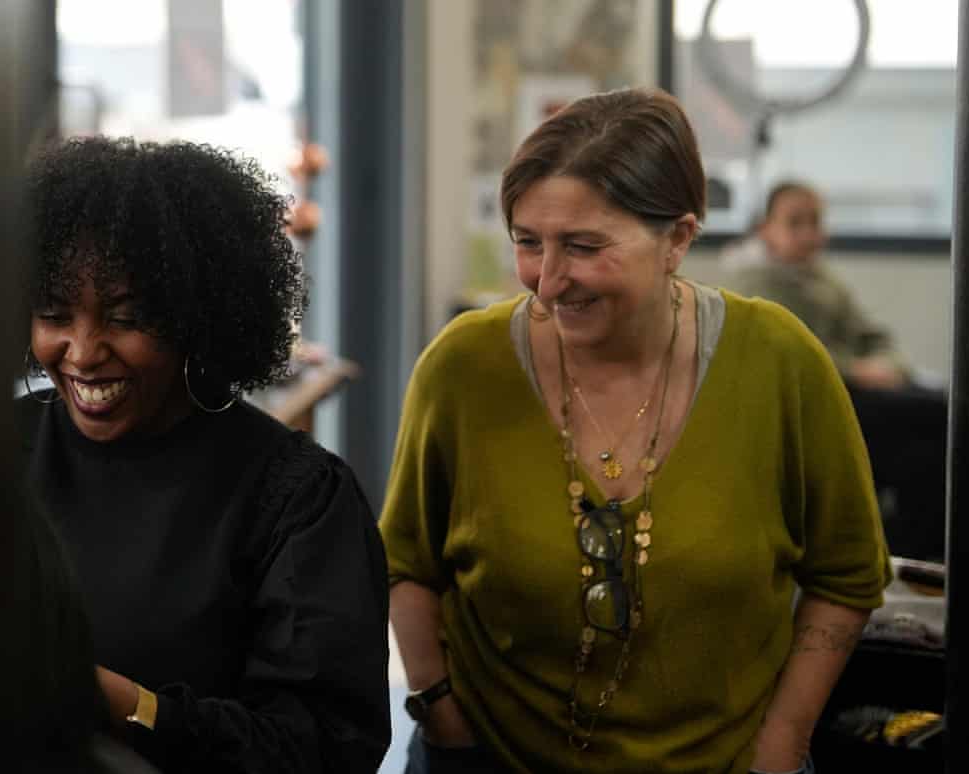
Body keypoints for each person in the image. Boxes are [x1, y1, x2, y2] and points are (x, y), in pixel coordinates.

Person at [381, 88, 891, 773]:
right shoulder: (464, 366)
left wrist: (783, 742)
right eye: (529, 243)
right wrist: (440, 714)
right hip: (491, 756)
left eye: (584, 247)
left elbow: (848, 575)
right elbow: (405, 562)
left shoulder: (778, 360)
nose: (549, 281)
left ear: (677, 237)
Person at [19, 136, 390, 773]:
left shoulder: (296, 499)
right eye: (55, 315)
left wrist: (117, 702)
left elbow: (323, 748)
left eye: (124, 317)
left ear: (198, 314)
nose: (81, 352)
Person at [722, 182, 907, 391]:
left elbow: (870, 335)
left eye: (815, 221)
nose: (808, 234)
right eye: (795, 223)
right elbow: (792, 356)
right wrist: (856, 370)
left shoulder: (822, 277)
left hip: (848, 384)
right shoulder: (753, 285)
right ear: (765, 229)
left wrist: (890, 364)